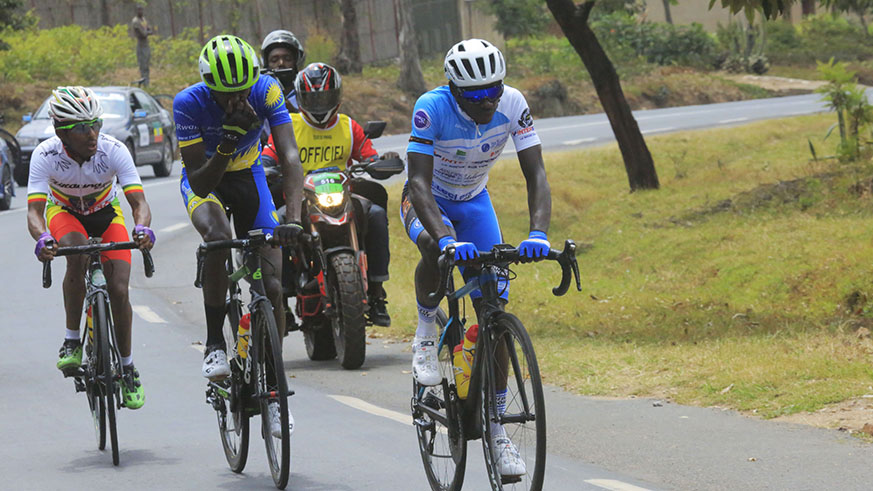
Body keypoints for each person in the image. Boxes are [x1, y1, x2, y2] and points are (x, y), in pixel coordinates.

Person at [401, 39, 552, 478]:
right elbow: (419, 183)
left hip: (474, 202)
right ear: (454, 89)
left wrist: (538, 232)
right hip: (427, 200)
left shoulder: (513, 103)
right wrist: (446, 237)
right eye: (475, 94)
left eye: (494, 89)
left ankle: (497, 427)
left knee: (494, 311)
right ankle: (426, 332)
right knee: (434, 248)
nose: (488, 100)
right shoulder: (431, 107)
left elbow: (537, 174)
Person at [173, 35, 303, 436]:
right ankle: (214, 343)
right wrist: (229, 138)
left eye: (242, 90)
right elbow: (198, 180)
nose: (236, 99)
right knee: (216, 238)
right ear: (209, 86)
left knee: (273, 283)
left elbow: (290, 156)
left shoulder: (266, 90)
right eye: (225, 94)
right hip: (207, 181)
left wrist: (293, 219)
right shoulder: (189, 103)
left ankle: (276, 391)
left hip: (250, 177)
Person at [27, 86, 156, 410]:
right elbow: (34, 211)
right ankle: (72, 341)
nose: (92, 134)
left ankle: (127, 368)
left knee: (120, 289)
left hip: (106, 213)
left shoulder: (113, 150)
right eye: (82, 128)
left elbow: (138, 202)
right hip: (65, 213)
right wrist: (43, 238)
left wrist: (141, 228)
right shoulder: (45, 155)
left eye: (95, 124)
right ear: (61, 132)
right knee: (78, 253)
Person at [261, 62, 396, 326]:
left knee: (377, 215)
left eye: (325, 97)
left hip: (344, 197)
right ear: (300, 98)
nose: (320, 104)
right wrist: (266, 167)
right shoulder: (287, 125)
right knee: (277, 225)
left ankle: (378, 292)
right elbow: (269, 156)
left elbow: (369, 156)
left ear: (337, 96)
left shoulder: (348, 126)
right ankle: (284, 297)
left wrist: (383, 161)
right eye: (313, 98)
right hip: (299, 201)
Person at [260, 29, 306, 111]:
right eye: (274, 60)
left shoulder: (307, 94)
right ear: (266, 64)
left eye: (287, 59)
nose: (281, 63)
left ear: (296, 62)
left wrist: (292, 110)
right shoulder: (259, 96)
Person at [130, 5, 155, 87]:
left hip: (146, 44)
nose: (140, 12)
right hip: (141, 45)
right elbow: (143, 34)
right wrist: (147, 32)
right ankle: (144, 83)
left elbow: (149, 29)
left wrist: (148, 31)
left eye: (141, 10)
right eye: (139, 10)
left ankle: (147, 83)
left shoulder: (143, 19)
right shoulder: (135, 21)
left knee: (147, 65)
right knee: (143, 66)